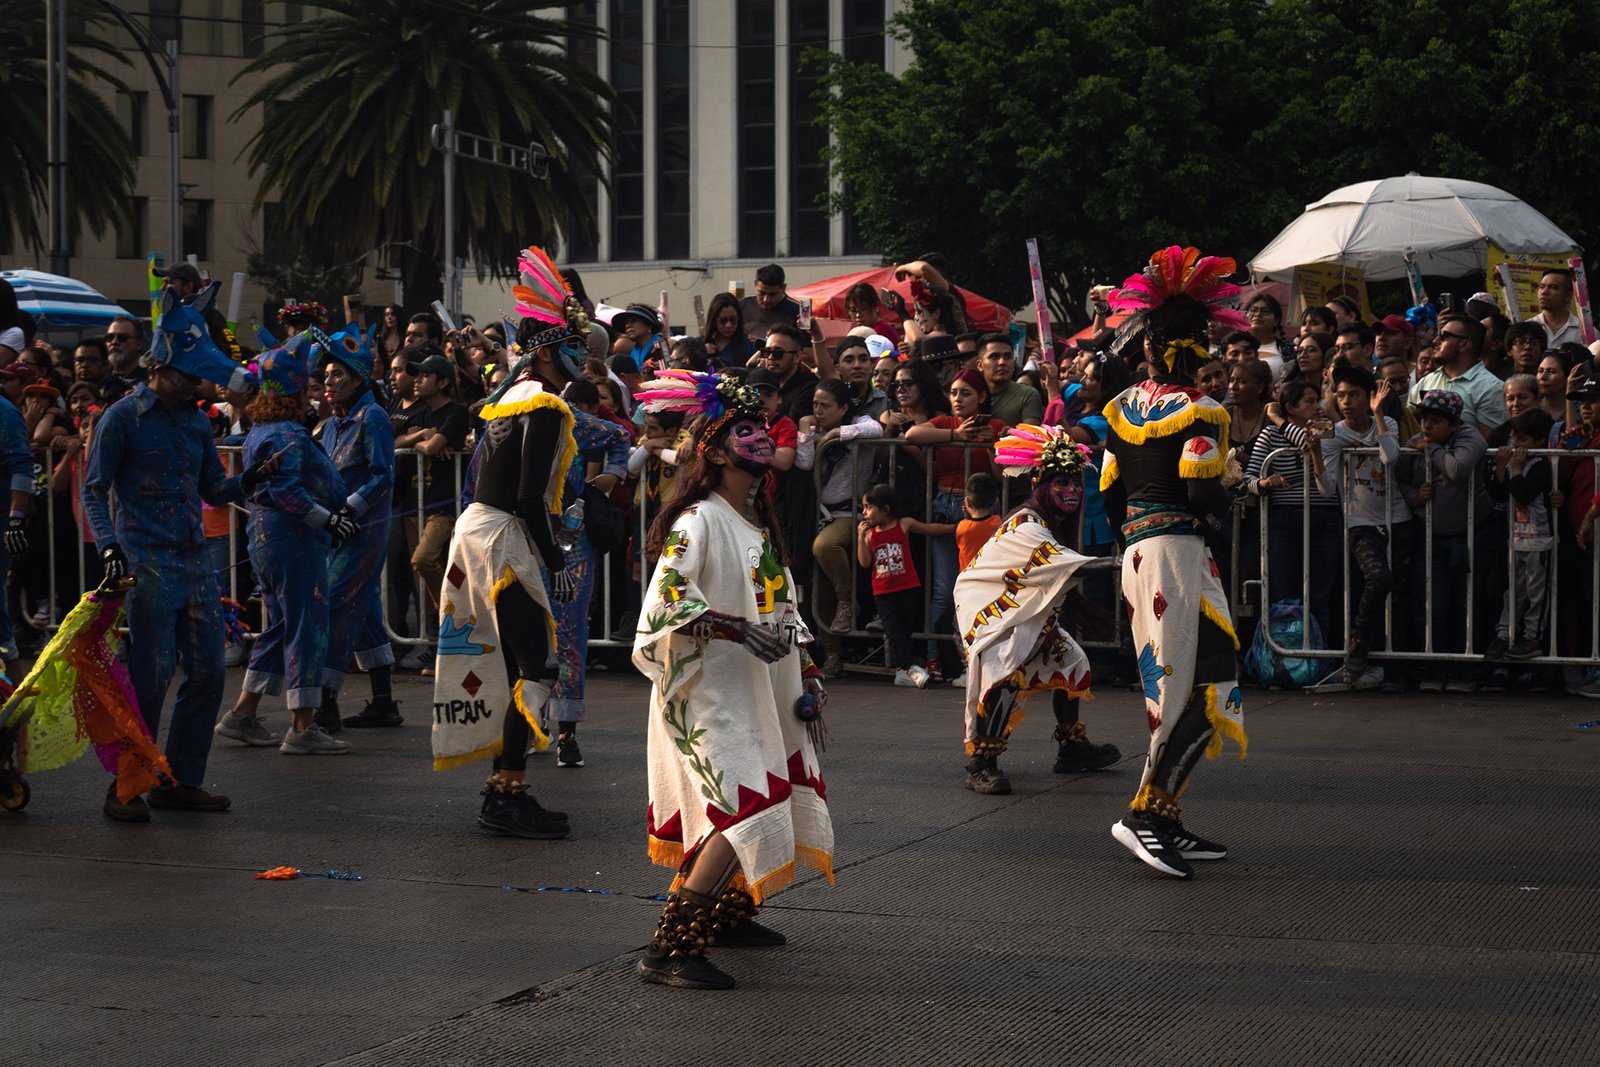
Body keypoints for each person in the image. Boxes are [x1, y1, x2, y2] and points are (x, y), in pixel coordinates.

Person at [632, 369, 833, 990]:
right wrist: (733, 629)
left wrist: (808, 668)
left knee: (775, 785)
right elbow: (665, 602)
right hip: (710, 692)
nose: (756, 437)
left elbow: (783, 608)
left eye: (758, 428)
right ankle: (668, 949)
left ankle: (728, 911)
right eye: (740, 430)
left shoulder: (753, 525)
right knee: (748, 802)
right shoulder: (698, 522)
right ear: (714, 453)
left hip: (761, 689)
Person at [84, 284, 273, 820]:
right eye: (189, 377)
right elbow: (94, 489)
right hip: (147, 565)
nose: (196, 387)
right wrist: (111, 548)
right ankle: (125, 784)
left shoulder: (193, 420)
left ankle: (179, 779)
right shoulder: (121, 418)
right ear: (161, 366)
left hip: (193, 563)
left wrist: (250, 479)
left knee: (210, 671)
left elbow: (215, 489)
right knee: (151, 672)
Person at [431, 247, 593, 838]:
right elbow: (529, 497)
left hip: (477, 531)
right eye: (577, 347)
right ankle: (506, 792)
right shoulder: (546, 405)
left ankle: (505, 788)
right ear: (550, 350)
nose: (585, 359)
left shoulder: (508, 394)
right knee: (538, 664)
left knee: (510, 665)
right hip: (502, 537)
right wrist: (557, 563)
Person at [1100, 246, 1248, 880]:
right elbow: (1198, 489)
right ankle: (1144, 814)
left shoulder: (1121, 409)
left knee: (1196, 681)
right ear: (1201, 348)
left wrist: (1138, 537)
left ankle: (1161, 814)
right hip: (1178, 554)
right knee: (1196, 682)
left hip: (1140, 553)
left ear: (1152, 349)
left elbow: (1109, 491)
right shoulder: (1203, 412)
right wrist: (1231, 490)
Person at [954, 426, 1120, 796]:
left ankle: (1072, 747)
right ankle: (982, 763)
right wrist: (1123, 561)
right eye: (1062, 483)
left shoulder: (1047, 522)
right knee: (1004, 675)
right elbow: (1067, 565)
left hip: (1026, 611)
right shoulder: (1027, 524)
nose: (1073, 490)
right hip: (992, 610)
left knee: (1072, 663)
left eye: (1076, 483)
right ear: (1041, 485)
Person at [215, 337, 355, 754]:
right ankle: (302, 726)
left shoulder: (262, 430)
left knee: (281, 626)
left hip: (267, 536)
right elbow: (287, 493)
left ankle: (242, 714)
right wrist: (328, 519)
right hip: (292, 539)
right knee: (307, 627)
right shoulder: (289, 434)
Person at [313, 324, 400, 731]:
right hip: (335, 528)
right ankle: (384, 701)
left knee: (333, 606)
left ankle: (325, 701)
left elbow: (384, 475)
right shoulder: (331, 423)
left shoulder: (374, 417)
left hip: (364, 530)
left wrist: (350, 506)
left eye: (337, 375)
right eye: (326, 376)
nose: (328, 383)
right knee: (364, 609)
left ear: (359, 378)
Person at [904, 370, 1007, 680]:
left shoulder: (996, 427)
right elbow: (911, 436)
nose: (958, 399)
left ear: (982, 398)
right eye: (953, 393)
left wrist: (991, 445)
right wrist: (956, 436)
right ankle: (936, 658)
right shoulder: (945, 423)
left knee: (982, 588)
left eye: (965, 393)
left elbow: (1001, 477)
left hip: (984, 513)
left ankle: (977, 659)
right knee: (944, 589)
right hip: (946, 508)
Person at [1317, 365, 1409, 686]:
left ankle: (1393, 667)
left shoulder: (1388, 423)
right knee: (1377, 579)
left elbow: (1390, 457)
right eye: (1340, 395)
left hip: (1398, 519)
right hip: (1361, 523)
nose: (1346, 401)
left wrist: (1379, 415)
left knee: (1400, 594)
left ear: (1368, 396)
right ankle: (1357, 647)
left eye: (1353, 395)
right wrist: (1316, 452)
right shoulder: (1333, 432)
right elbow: (1326, 488)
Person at [1395, 390, 1487, 693]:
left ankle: (1464, 671)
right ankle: (1432, 668)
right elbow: (1398, 482)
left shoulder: (1469, 436)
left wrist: (1432, 449)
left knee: (1465, 604)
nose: (1426, 427)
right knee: (1431, 604)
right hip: (1429, 536)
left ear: (1452, 423)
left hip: (1469, 535)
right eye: (1423, 420)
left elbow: (1457, 469)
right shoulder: (1414, 445)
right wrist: (1415, 497)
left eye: (1435, 421)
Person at [796, 378, 884, 675]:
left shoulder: (861, 422)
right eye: (815, 405)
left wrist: (837, 433)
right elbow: (805, 463)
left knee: (825, 545)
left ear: (843, 407)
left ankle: (848, 602)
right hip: (822, 515)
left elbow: (877, 430)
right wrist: (807, 430)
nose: (818, 410)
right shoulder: (812, 426)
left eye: (826, 406)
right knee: (819, 581)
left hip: (853, 514)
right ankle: (833, 652)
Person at [395, 349, 471, 670]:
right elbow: (394, 441)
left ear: (442, 382)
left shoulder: (455, 412)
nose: (417, 380)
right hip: (414, 503)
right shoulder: (420, 413)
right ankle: (445, 640)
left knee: (424, 558)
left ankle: (456, 622)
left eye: (424, 376)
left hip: (442, 503)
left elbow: (435, 447)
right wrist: (420, 436)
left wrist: (424, 441)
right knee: (423, 571)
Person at [856, 483, 951, 688]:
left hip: (907, 586)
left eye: (868, 507)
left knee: (906, 628)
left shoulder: (903, 524)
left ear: (886, 509)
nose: (864, 513)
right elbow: (864, 562)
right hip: (884, 591)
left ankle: (903, 670)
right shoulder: (870, 534)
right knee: (894, 631)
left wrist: (956, 528)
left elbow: (929, 528)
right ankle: (908, 668)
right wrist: (860, 538)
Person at [1485, 408, 1555, 662]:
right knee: (1513, 590)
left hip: (1538, 539)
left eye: (1523, 441)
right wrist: (1501, 469)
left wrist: (1514, 470)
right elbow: (1500, 495)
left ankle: (1532, 637)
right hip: (1516, 539)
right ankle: (1504, 633)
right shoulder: (1515, 463)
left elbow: (1524, 494)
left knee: (1536, 593)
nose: (1517, 447)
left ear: (1538, 442)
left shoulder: (1539, 465)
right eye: (1514, 440)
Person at [1407, 314, 1507, 436]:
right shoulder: (1425, 382)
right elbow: (1409, 428)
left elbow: (1490, 443)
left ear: (1465, 345)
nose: (1435, 341)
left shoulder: (1491, 388)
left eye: (1444, 336)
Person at [978, 333, 1043, 428]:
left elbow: (1031, 437)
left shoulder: (1027, 395)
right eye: (994, 357)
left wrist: (1011, 434)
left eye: (1008, 357)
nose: (1002, 362)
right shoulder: (969, 393)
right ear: (980, 365)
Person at [740, 263, 802, 341]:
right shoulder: (743, 305)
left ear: (783, 288)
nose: (766, 299)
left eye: (773, 295)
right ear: (755, 284)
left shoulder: (799, 312)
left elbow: (807, 350)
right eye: (762, 293)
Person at [956, 472, 1003, 570]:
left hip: (967, 582)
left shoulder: (962, 527)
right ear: (995, 502)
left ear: (967, 502)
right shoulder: (1000, 524)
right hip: (991, 580)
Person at [1531, 269, 1584, 350]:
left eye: (1553, 287)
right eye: (1542, 287)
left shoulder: (1584, 331)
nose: (1544, 292)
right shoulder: (1529, 327)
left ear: (1568, 295)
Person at [702, 291, 757, 368]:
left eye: (733, 320)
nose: (728, 325)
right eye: (722, 321)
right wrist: (701, 354)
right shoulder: (699, 346)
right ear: (713, 320)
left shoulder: (748, 346)